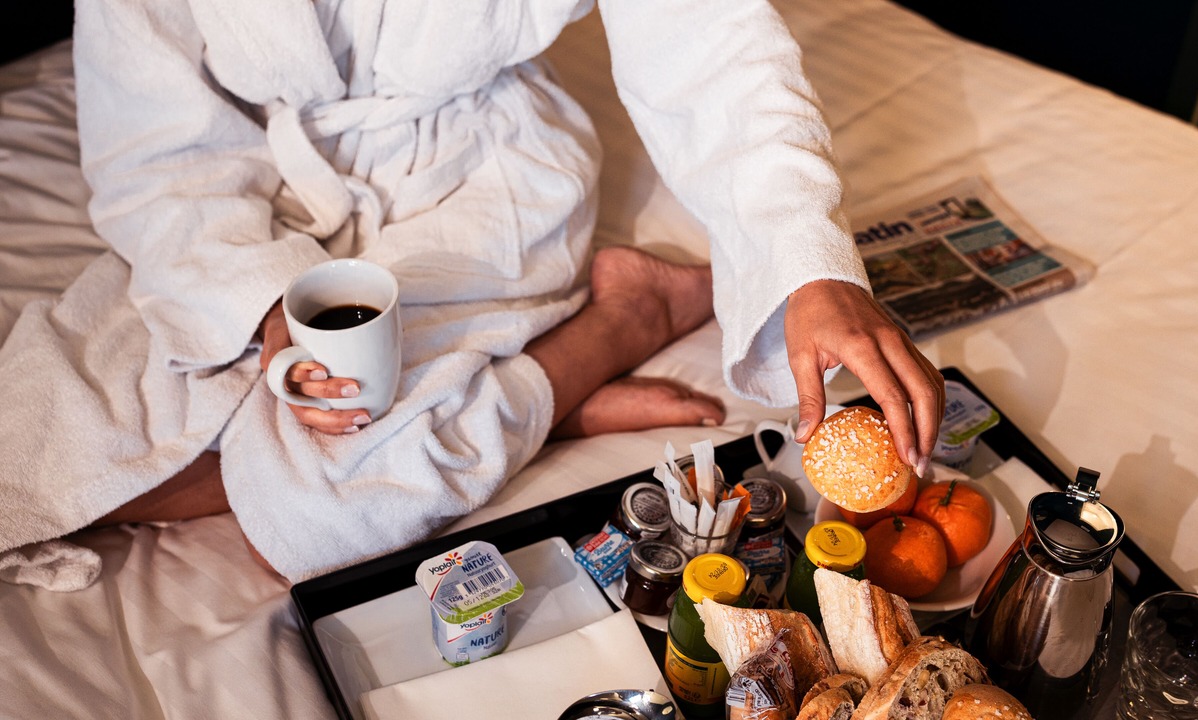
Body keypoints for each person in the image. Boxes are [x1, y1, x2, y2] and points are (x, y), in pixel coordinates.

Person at [0, 0, 942, 582]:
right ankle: (578, 367)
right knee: (41, 429)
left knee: (315, 510)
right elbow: (158, 150)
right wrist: (261, 310)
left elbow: (710, 45)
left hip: (480, 174)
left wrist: (808, 261)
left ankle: (624, 319)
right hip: (247, 179)